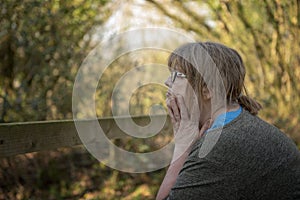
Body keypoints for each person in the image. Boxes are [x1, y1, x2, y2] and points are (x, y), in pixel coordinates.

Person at [156, 42, 300, 200]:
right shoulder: (236, 124)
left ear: (207, 88)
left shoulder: (220, 146)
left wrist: (182, 146)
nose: (167, 82)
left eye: (177, 75)